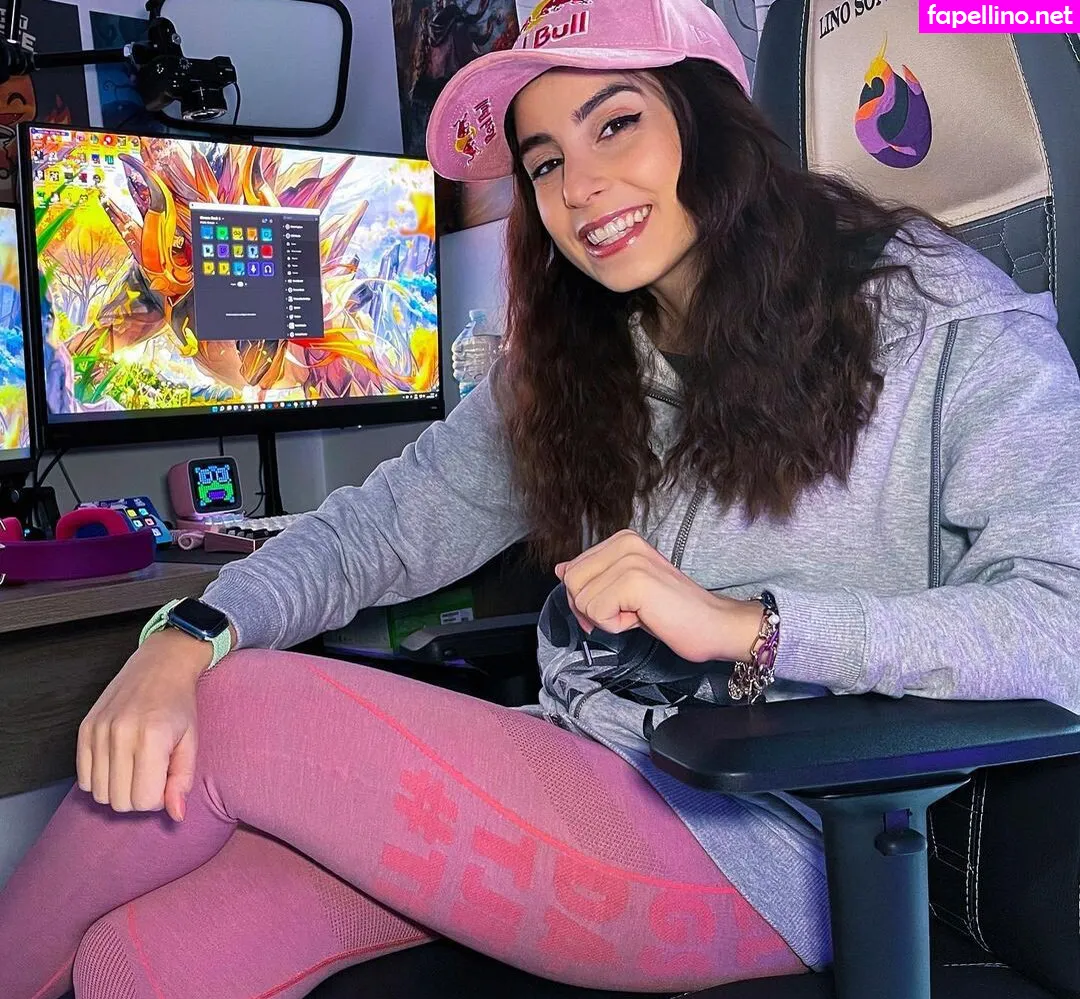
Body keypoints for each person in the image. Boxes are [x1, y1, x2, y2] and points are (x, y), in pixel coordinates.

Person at [4, 0, 1080, 994]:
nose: (581, 187)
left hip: (776, 830)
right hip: (584, 759)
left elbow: (1063, 620)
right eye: (547, 160)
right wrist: (187, 630)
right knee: (139, 959)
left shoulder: (934, 311)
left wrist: (750, 628)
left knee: (236, 709)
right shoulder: (578, 358)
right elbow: (379, 531)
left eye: (617, 125)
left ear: (711, 118)